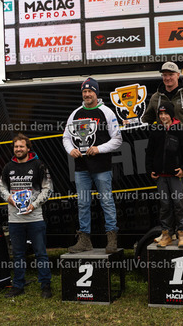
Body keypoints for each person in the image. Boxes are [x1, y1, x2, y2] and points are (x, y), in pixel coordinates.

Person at [142, 62, 183, 245]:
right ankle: (168, 232)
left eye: (171, 74)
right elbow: (147, 119)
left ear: (178, 75)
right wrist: (131, 119)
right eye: (164, 75)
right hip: (163, 157)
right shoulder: (156, 97)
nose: (167, 78)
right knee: (166, 199)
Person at [63, 77, 122, 254]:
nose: (87, 94)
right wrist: (71, 150)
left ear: (96, 93)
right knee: (83, 203)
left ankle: (112, 239)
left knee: (107, 202)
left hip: (102, 167)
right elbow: (66, 137)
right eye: (84, 91)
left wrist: (99, 149)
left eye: (90, 91)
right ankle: (84, 240)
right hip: (81, 168)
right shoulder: (75, 113)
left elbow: (117, 140)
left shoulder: (106, 112)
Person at [0, 134, 53, 299]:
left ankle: (46, 285)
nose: (18, 149)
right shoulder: (8, 167)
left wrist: (33, 205)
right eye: (16, 147)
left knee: (40, 253)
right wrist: (9, 198)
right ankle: (18, 285)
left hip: (35, 217)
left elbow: (48, 188)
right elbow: (1, 187)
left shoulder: (39, 165)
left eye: (21, 146)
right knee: (18, 254)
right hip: (15, 219)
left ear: (28, 148)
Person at [145, 101, 183, 248]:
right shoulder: (155, 131)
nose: (163, 116)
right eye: (161, 114)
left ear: (171, 115)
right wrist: (150, 170)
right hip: (161, 177)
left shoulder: (179, 130)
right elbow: (149, 153)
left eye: (166, 113)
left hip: (175, 176)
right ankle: (166, 234)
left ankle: (182, 234)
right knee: (165, 205)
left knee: (179, 204)